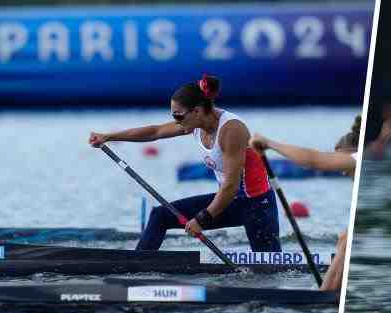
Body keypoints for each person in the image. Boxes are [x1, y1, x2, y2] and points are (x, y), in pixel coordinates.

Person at [88, 75, 281, 253]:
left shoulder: (232, 130)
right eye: (173, 116)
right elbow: (154, 132)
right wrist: (109, 136)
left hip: (256, 205)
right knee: (160, 216)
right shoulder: (194, 123)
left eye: (178, 116)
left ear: (196, 111)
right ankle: (137, 265)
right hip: (229, 200)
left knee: (269, 272)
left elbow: (231, 186)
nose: (176, 121)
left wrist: (202, 219)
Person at [249, 115, 360, 291]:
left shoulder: (359, 156)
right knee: (344, 239)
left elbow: (312, 160)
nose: (343, 173)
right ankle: (329, 292)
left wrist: (269, 143)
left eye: (341, 164)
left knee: (347, 242)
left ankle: (325, 295)